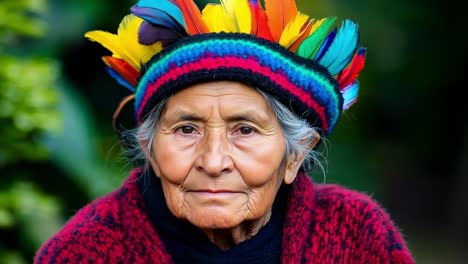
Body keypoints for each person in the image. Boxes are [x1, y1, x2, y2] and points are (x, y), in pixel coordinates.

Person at [34, 0, 415, 263]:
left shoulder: (357, 235)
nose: (213, 161)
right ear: (150, 148)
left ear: (295, 155)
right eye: (186, 129)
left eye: (245, 130)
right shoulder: (81, 252)